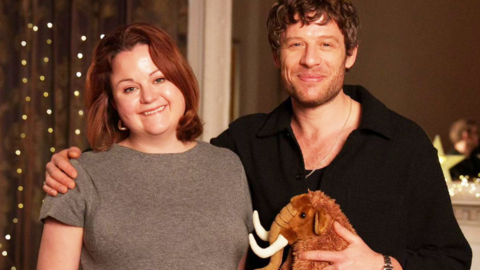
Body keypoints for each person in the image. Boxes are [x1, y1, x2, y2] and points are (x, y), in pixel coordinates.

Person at [44, 0, 473, 269]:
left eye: (326, 44)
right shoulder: (240, 147)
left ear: (351, 54)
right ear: (277, 57)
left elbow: (454, 260)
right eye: (295, 44)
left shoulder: (405, 144)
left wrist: (382, 266)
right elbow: (166, 168)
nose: (310, 60)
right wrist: (73, 166)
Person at [37, 23, 252, 270]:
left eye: (159, 79)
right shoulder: (75, 176)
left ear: (180, 81)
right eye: (129, 88)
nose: (148, 97)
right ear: (113, 105)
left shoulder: (228, 167)